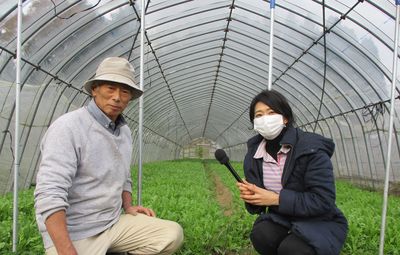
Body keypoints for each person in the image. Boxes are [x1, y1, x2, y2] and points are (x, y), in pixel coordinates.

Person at [34, 57, 184, 255]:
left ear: (130, 97)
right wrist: (66, 250)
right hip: (76, 232)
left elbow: (123, 175)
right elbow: (50, 194)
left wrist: (128, 207)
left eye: (124, 91)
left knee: (172, 234)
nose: (117, 97)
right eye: (110, 88)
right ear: (94, 89)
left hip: (112, 224)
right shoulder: (68, 127)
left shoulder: (124, 131)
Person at [237, 89, 348, 255]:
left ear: (285, 118)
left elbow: (323, 200)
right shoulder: (255, 153)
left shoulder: (310, 148)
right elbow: (257, 209)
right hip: (283, 216)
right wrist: (253, 197)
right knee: (262, 235)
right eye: (259, 115)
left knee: (293, 249)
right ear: (254, 122)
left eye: (271, 112)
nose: (265, 119)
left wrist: (275, 198)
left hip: (320, 219)